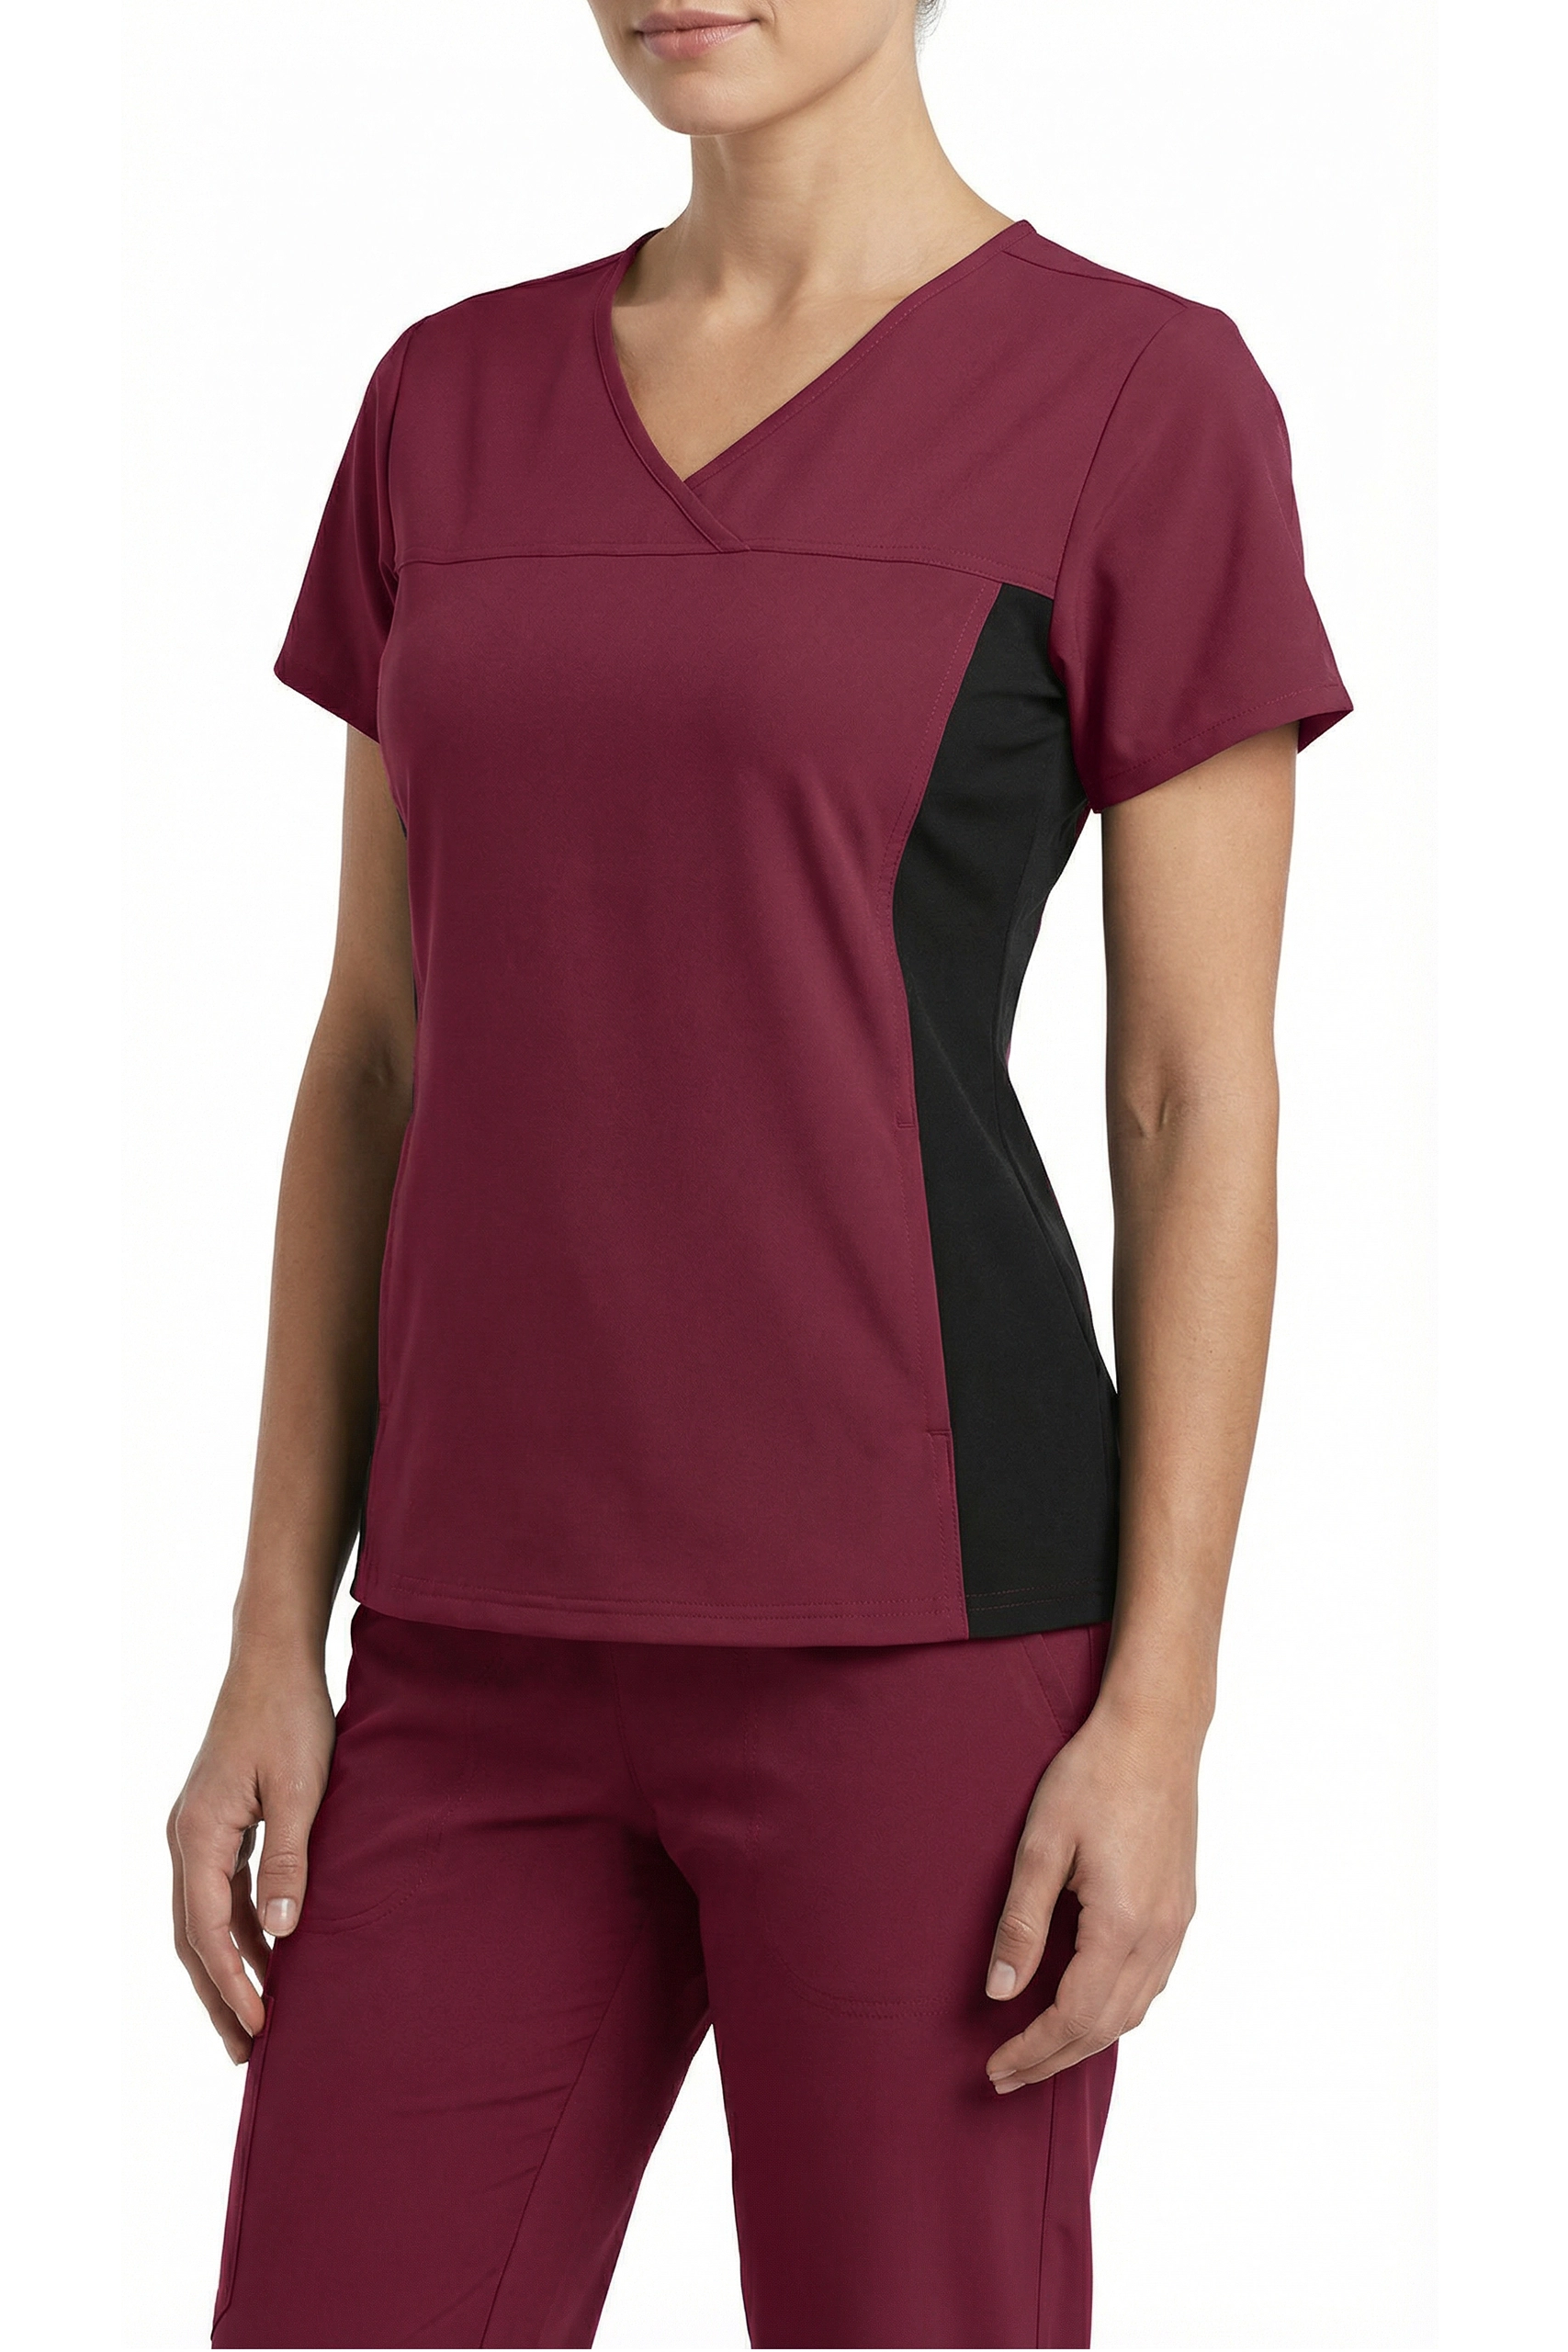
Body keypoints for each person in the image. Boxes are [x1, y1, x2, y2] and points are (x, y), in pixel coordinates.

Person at [167, 3, 1350, 2345]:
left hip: (921, 1647)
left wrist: (1161, 1710)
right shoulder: (441, 402)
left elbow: (1189, 1096)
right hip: (467, 1638)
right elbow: (375, 1050)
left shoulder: (1137, 397)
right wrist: (268, 1634)